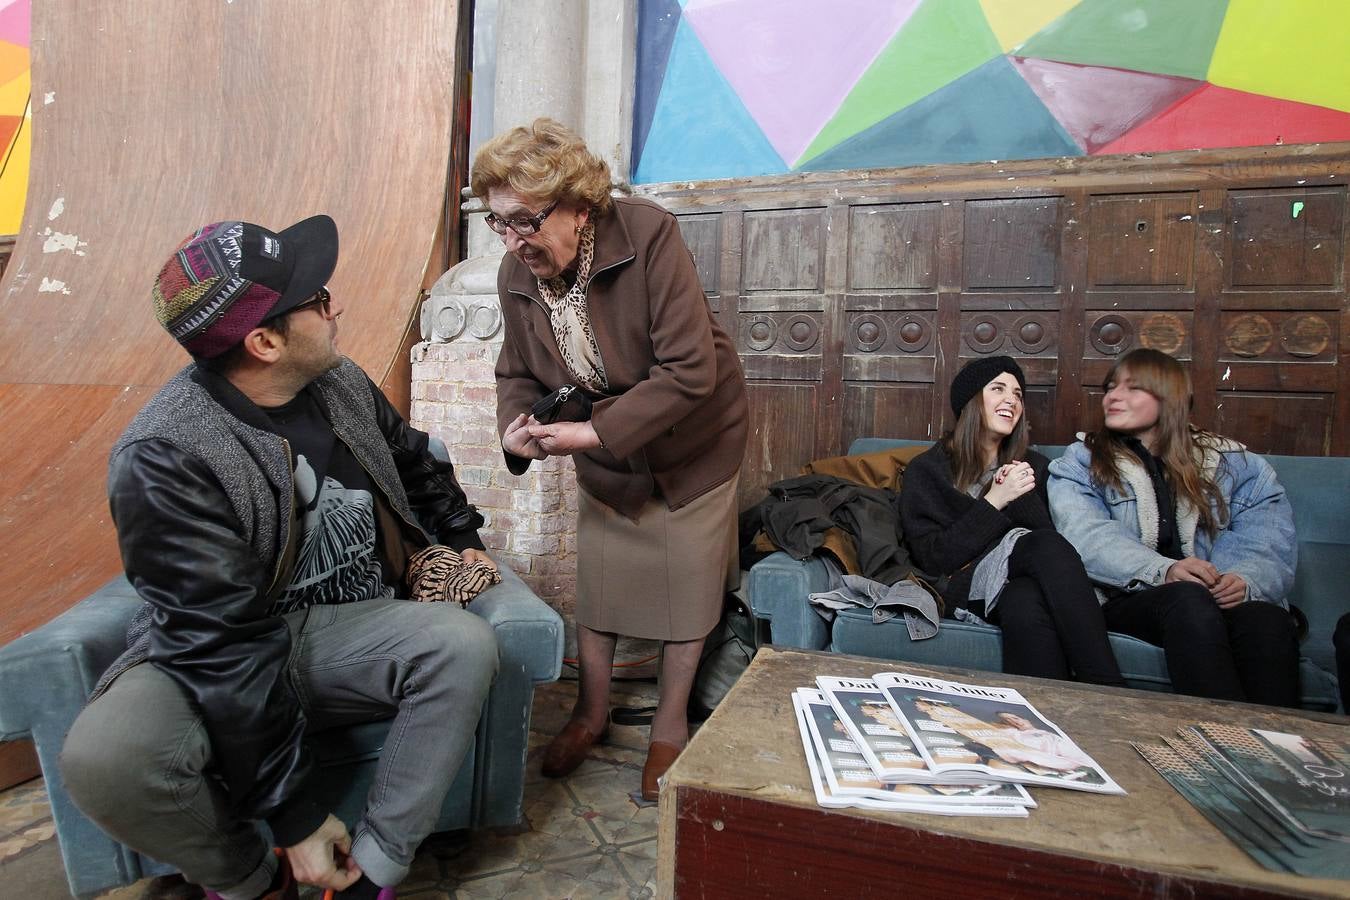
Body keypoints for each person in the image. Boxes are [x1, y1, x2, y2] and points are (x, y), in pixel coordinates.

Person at [59, 216, 505, 900]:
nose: (339, 307)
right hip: (218, 650)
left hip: (345, 631)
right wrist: (294, 816)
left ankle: (369, 878)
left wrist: (461, 541)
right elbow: (218, 641)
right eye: (319, 300)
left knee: (460, 645)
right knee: (105, 760)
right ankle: (252, 882)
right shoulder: (166, 454)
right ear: (265, 341)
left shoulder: (340, 383)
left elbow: (417, 462)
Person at [470, 118, 748, 801]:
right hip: (606, 443)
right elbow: (516, 375)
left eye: (525, 221)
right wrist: (514, 429)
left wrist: (592, 436)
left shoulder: (648, 235)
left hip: (691, 444)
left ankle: (669, 728)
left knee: (686, 594)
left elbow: (690, 370)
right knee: (602, 593)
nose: (511, 241)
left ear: (577, 204)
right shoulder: (518, 273)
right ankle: (589, 714)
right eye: (496, 222)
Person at [1048, 348, 1300, 706]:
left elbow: (1269, 540)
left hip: (1217, 599)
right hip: (1129, 598)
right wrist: (1162, 571)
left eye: (1132, 388)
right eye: (1110, 387)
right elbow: (1086, 535)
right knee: (1187, 599)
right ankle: (1218, 739)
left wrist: (1244, 581)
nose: (1113, 397)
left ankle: (1275, 749)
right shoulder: (1081, 461)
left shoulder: (1238, 465)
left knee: (1267, 622)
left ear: (1170, 398)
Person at [899, 356, 1126, 686]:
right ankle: (1107, 687)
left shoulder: (1035, 465)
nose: (1011, 400)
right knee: (1040, 548)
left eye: (1018, 394)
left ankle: (1046, 721)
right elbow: (934, 558)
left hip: (1021, 582)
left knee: (1025, 600)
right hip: (966, 585)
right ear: (970, 402)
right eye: (999, 389)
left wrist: (1020, 494)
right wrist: (996, 500)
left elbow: (1058, 554)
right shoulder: (928, 470)